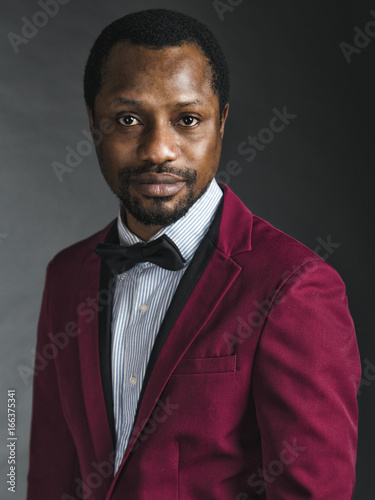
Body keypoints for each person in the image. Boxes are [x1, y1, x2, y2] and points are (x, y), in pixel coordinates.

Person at [27, 8, 361, 500]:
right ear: (92, 122)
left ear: (221, 120)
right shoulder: (66, 275)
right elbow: (49, 478)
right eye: (127, 119)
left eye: (187, 119)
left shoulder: (296, 288)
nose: (159, 148)